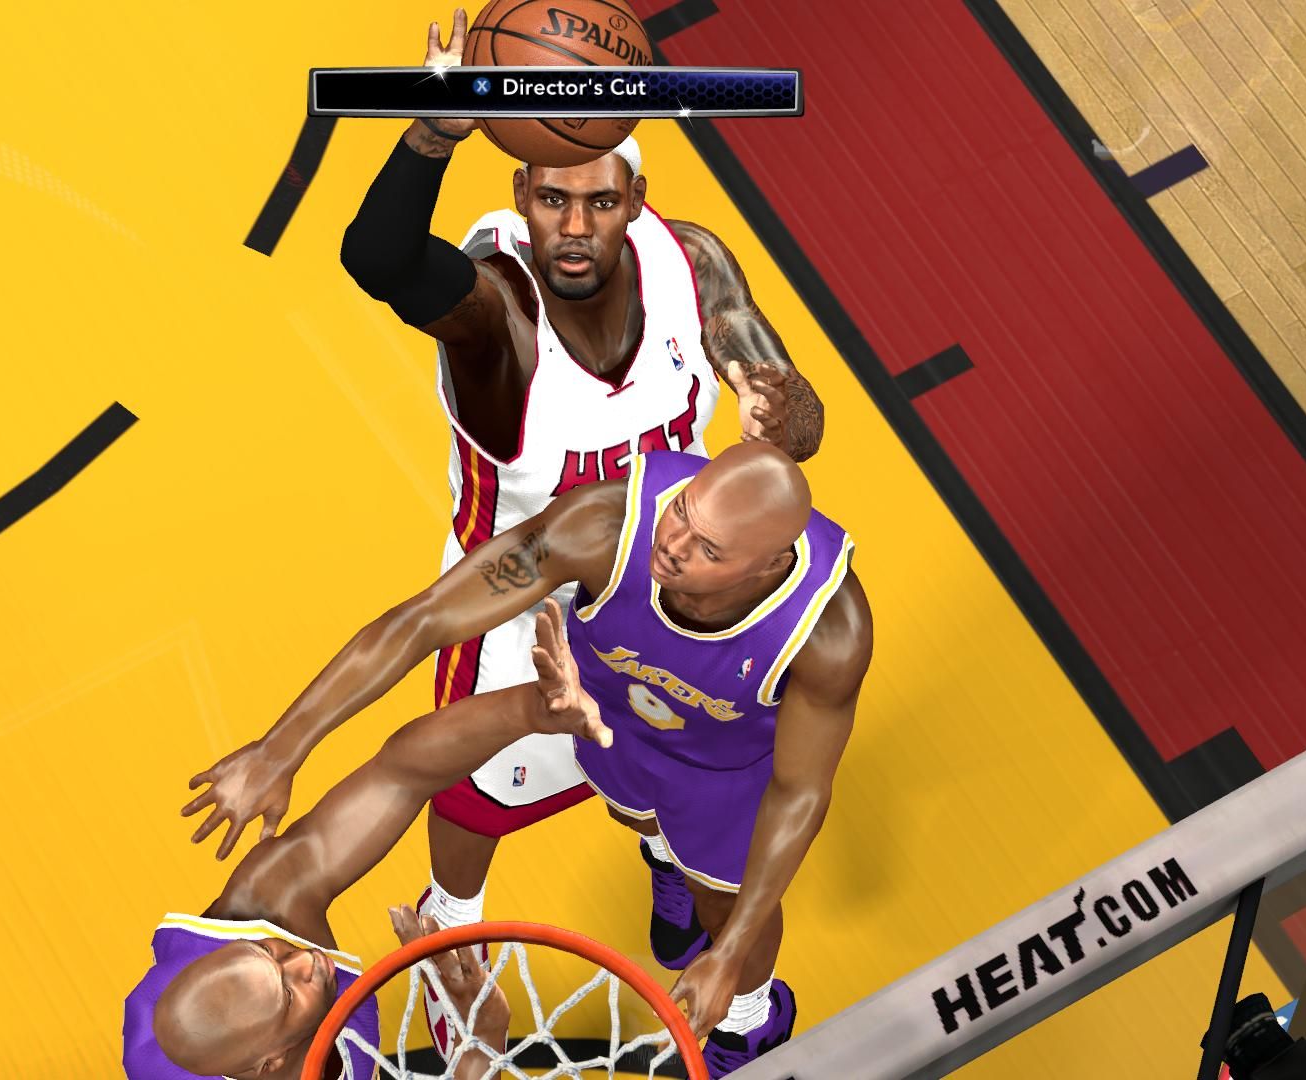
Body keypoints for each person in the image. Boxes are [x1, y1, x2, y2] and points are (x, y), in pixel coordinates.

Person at [330, 6, 829, 1011]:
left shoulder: (693, 262)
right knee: (470, 793)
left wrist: (790, 413)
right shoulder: (494, 311)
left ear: (634, 200)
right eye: (553, 199)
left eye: (599, 201)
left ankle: (665, 857)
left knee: (675, 767)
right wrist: (433, 131)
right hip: (522, 599)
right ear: (522, 194)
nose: (572, 225)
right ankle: (452, 933)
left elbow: (795, 419)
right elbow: (379, 259)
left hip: (667, 584)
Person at [185, 443, 873, 1076]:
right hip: (609, 716)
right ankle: (664, 857)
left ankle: (750, 1022)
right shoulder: (604, 526)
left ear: (767, 566)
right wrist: (282, 748)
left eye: (708, 549)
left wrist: (730, 955)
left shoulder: (826, 631)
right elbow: (426, 618)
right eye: (681, 512)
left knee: (726, 904)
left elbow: (799, 791)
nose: (672, 544)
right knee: (638, 816)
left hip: (720, 766)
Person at [128, 601, 613, 1079]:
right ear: (269, 1064)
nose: (304, 959)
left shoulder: (264, 914)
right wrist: (483, 1039)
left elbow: (400, 774)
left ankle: (451, 911)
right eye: (289, 992)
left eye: (271, 954)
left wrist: (531, 708)